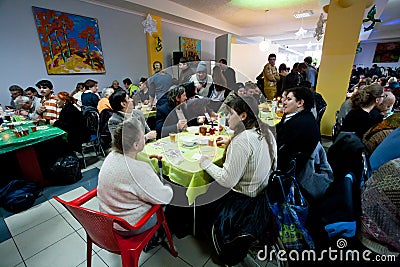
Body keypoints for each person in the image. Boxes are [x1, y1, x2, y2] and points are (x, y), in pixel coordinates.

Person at [97, 117, 173, 235]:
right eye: (143, 136)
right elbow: (164, 197)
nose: (145, 138)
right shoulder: (138, 170)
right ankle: (158, 236)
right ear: (136, 145)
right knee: (171, 206)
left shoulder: (111, 156)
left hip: (109, 216)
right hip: (129, 225)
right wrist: (168, 186)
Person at [276, 87, 320, 175]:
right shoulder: (303, 116)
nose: (284, 103)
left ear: (300, 103)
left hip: (288, 171)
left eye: (288, 99)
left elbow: (281, 150)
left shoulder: (300, 124)